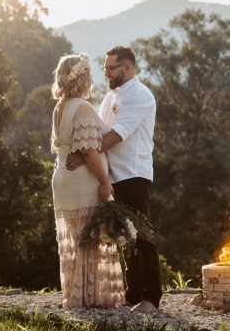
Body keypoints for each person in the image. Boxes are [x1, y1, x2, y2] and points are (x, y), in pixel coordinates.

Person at [65, 45, 161, 313]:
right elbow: (96, 134)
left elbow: (117, 135)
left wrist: (85, 157)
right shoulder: (110, 98)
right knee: (123, 237)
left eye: (111, 68)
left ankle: (152, 299)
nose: (106, 72)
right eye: (105, 68)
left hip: (133, 174)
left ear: (126, 68)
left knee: (142, 236)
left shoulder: (141, 96)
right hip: (109, 175)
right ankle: (133, 295)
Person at [50, 52, 126, 310]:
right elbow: (88, 149)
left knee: (77, 239)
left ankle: (77, 296)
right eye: (90, 75)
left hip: (62, 178)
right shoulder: (82, 107)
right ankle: (92, 298)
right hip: (81, 182)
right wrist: (105, 183)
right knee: (90, 238)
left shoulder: (60, 107)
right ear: (82, 78)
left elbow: (63, 145)